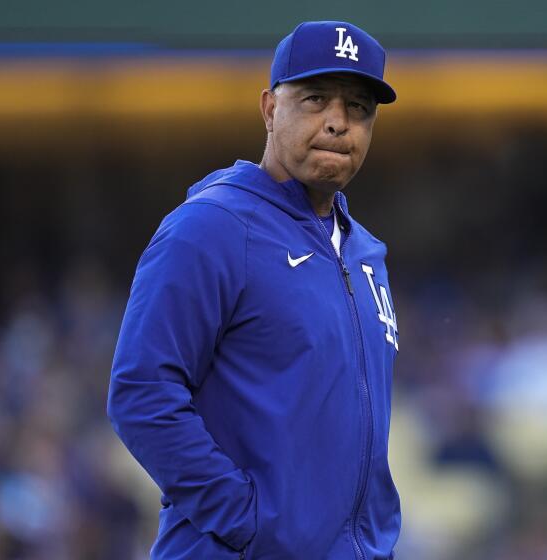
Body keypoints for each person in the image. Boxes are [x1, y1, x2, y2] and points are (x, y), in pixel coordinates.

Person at [107, 21, 401, 559]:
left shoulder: (366, 254)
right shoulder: (212, 227)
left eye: (359, 107)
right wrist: (250, 523)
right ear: (269, 107)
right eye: (315, 99)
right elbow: (142, 393)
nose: (338, 123)